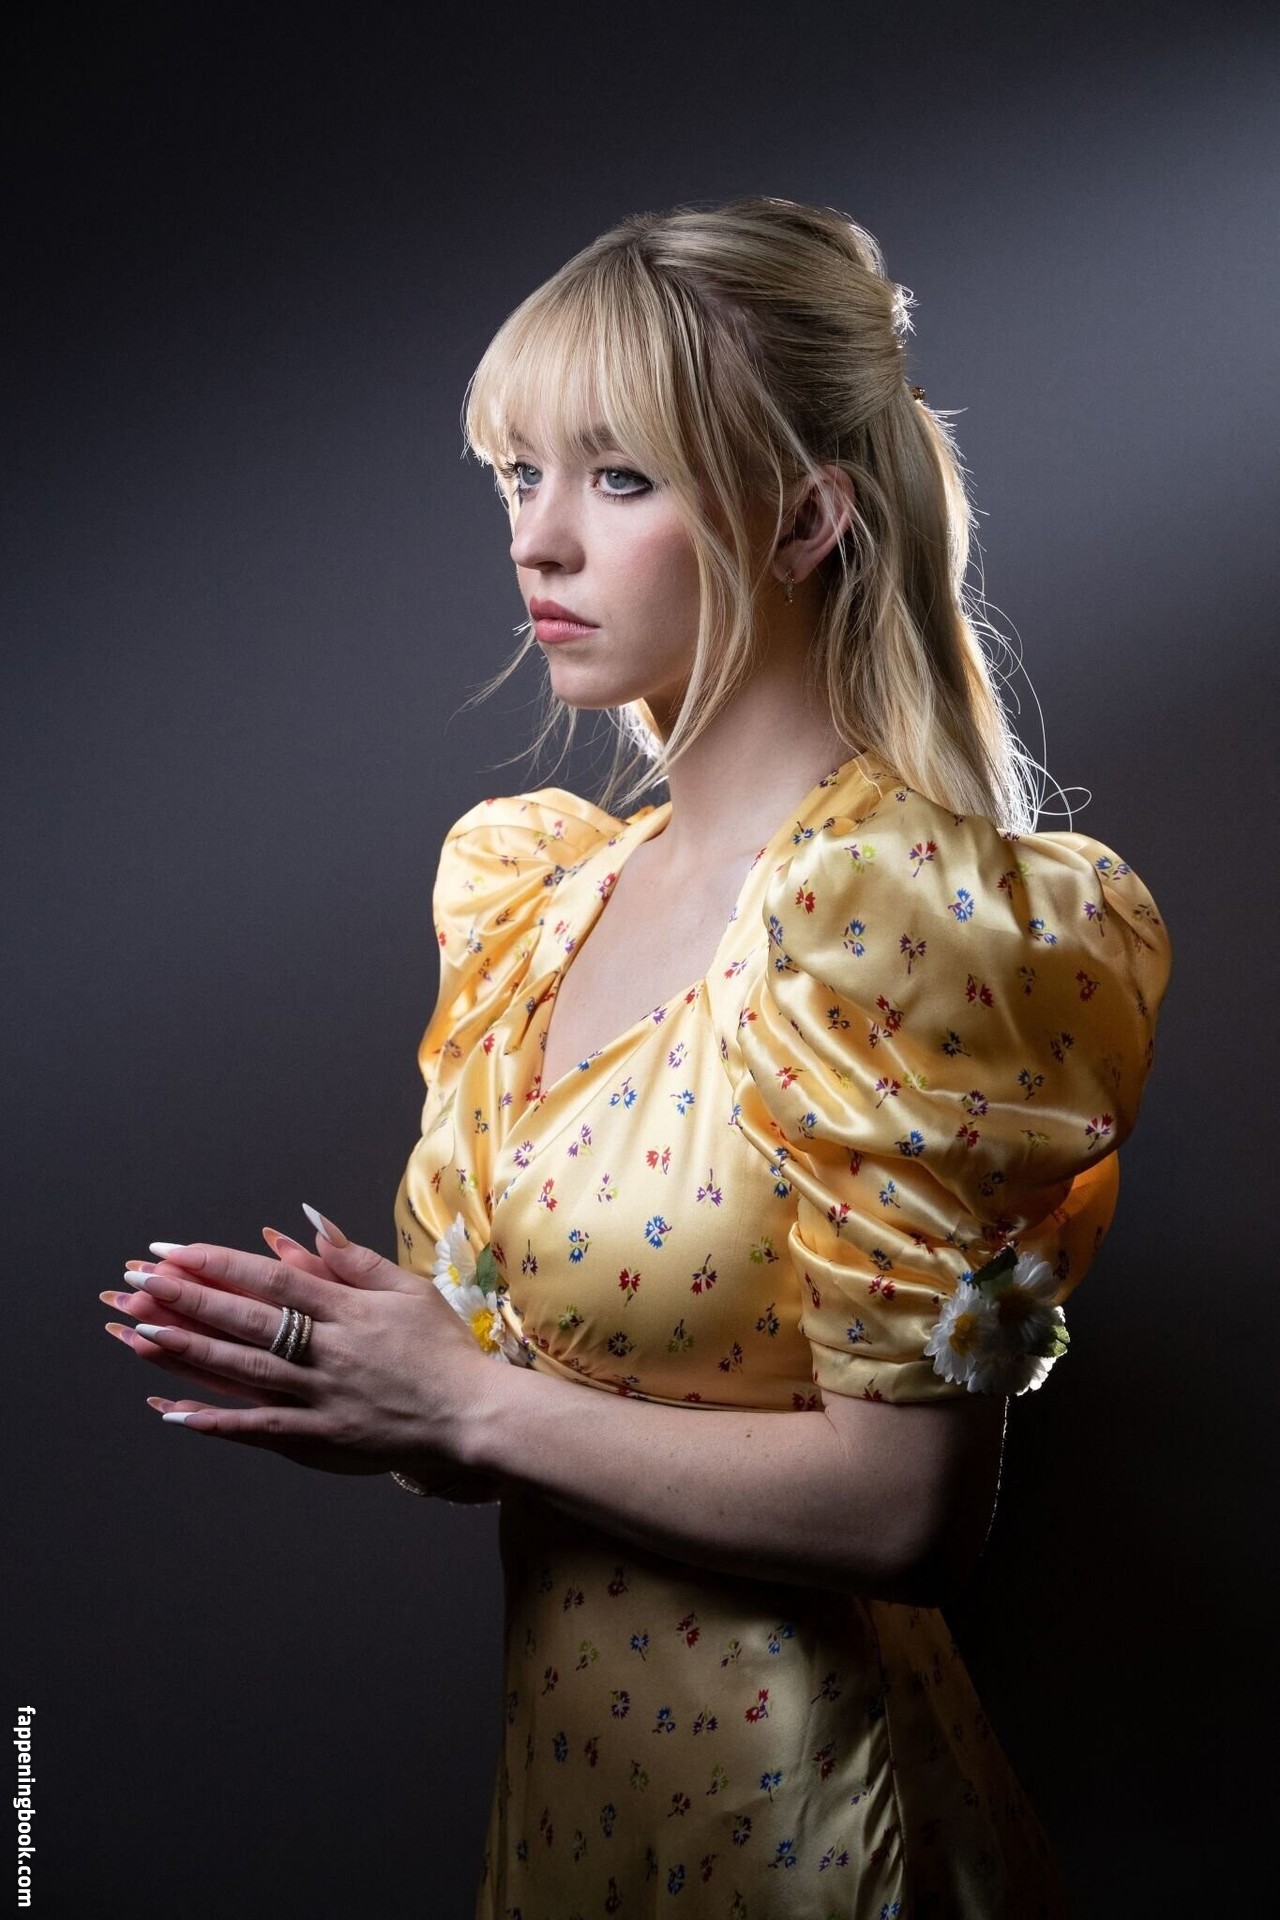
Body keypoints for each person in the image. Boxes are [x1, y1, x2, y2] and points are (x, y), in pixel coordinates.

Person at [104, 196, 1172, 1915]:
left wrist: (467, 1403)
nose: (538, 543)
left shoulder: (891, 916)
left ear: (806, 516)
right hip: (576, 1813)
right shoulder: (545, 892)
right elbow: (555, 1402)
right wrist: (379, 1386)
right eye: (516, 476)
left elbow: (906, 1517)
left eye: (616, 479)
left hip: (813, 1836)